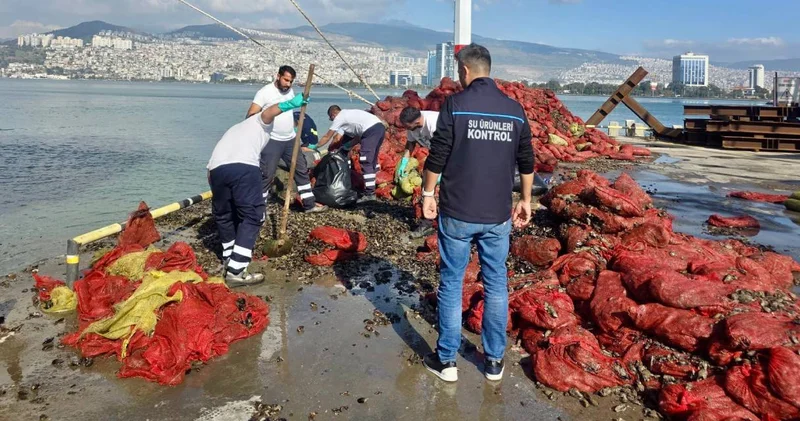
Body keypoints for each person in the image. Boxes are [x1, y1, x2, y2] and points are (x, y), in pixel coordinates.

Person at [420, 43, 535, 382]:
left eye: (459, 72)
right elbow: (526, 160)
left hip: (457, 211)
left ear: (465, 72)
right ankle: (494, 362)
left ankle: (447, 361)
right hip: (497, 215)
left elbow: (437, 156)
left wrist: (428, 193)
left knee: (452, 283)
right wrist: (525, 200)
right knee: (497, 284)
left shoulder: (455, 104)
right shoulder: (514, 110)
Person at [208, 93, 308, 286]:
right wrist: (291, 104)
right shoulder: (259, 122)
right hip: (243, 167)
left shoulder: (236, 128)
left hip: (215, 170)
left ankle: (229, 258)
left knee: (224, 215)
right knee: (253, 216)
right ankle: (236, 271)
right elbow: (269, 112)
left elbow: (211, 170)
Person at [247, 65, 325, 213]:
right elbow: (250, 115)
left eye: (291, 81)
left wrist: (299, 108)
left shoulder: (289, 91)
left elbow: (290, 112)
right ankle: (258, 209)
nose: (288, 84)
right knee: (267, 174)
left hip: (290, 139)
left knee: (301, 169)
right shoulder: (265, 92)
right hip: (272, 139)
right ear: (278, 76)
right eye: (286, 80)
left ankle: (309, 204)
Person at [317, 106, 386, 203]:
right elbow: (357, 137)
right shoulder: (349, 115)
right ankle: (373, 187)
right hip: (379, 128)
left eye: (330, 118)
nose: (331, 120)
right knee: (372, 160)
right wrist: (345, 147)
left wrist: (316, 147)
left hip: (371, 131)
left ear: (333, 114)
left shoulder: (339, 117)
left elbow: (327, 136)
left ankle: (370, 194)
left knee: (365, 161)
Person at [398, 106, 439, 238]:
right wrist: (404, 162)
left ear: (417, 122)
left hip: (453, 156)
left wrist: (440, 172)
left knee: (444, 189)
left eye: (408, 126)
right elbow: (410, 144)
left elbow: (450, 146)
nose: (407, 129)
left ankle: (446, 221)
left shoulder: (435, 123)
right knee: (426, 186)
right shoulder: (412, 126)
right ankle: (426, 223)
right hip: (435, 155)